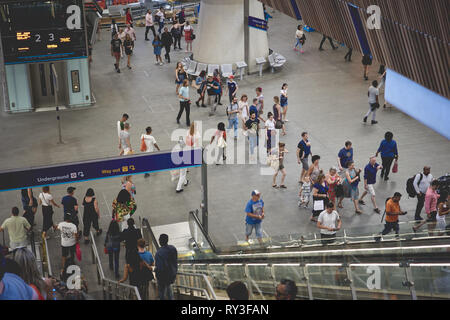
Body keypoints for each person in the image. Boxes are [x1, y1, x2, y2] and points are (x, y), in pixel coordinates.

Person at [155, 234, 178, 300]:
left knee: (161, 293)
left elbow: (159, 267)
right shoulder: (173, 248)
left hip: (162, 276)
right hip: (172, 274)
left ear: (160, 241)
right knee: (169, 288)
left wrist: (157, 274)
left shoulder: (159, 253)